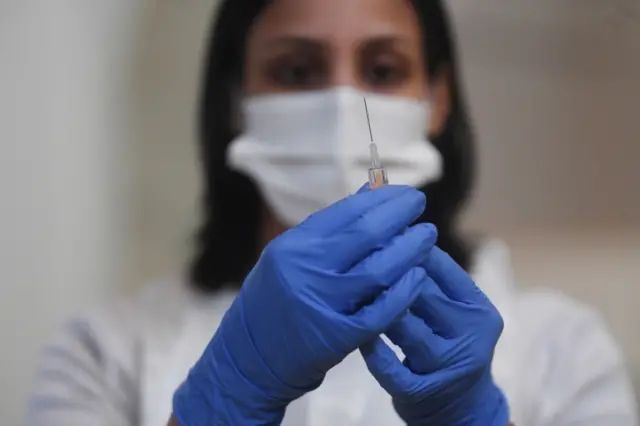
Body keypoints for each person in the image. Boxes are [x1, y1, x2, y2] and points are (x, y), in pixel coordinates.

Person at [26, 0, 638, 425]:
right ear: (236, 101)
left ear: (437, 99)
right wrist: (227, 396)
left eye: (382, 70)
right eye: (296, 70)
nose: (345, 104)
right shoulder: (103, 353)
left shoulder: (564, 349)